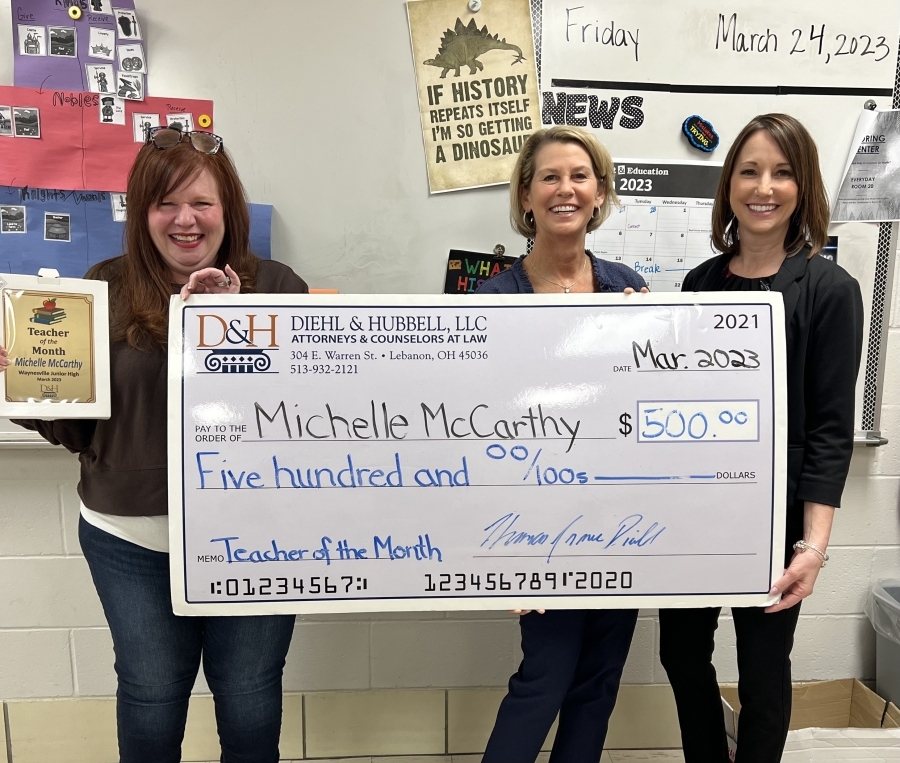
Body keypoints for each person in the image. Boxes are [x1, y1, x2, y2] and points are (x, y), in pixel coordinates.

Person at [0, 127, 309, 763]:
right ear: (143, 213)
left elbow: (305, 420)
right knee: (150, 696)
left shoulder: (277, 286)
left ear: (229, 210)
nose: (185, 220)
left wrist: (231, 327)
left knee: (250, 700)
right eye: (165, 203)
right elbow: (86, 436)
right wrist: (27, 392)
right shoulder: (100, 291)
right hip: (128, 540)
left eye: (202, 202)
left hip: (253, 540)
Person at [658, 113, 864, 762]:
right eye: (749, 170)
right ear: (728, 186)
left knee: (764, 666)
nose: (763, 186)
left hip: (775, 518)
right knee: (680, 652)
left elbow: (832, 428)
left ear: (803, 187)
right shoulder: (699, 283)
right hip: (694, 507)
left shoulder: (831, 290)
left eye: (781, 172)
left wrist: (813, 544)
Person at [477, 125, 646, 763]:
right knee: (544, 678)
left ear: (599, 193)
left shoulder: (627, 286)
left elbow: (643, 409)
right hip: (533, 526)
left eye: (579, 176)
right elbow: (472, 425)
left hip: (620, 518)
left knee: (598, 682)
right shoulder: (495, 299)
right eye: (549, 177)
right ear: (525, 197)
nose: (565, 189)